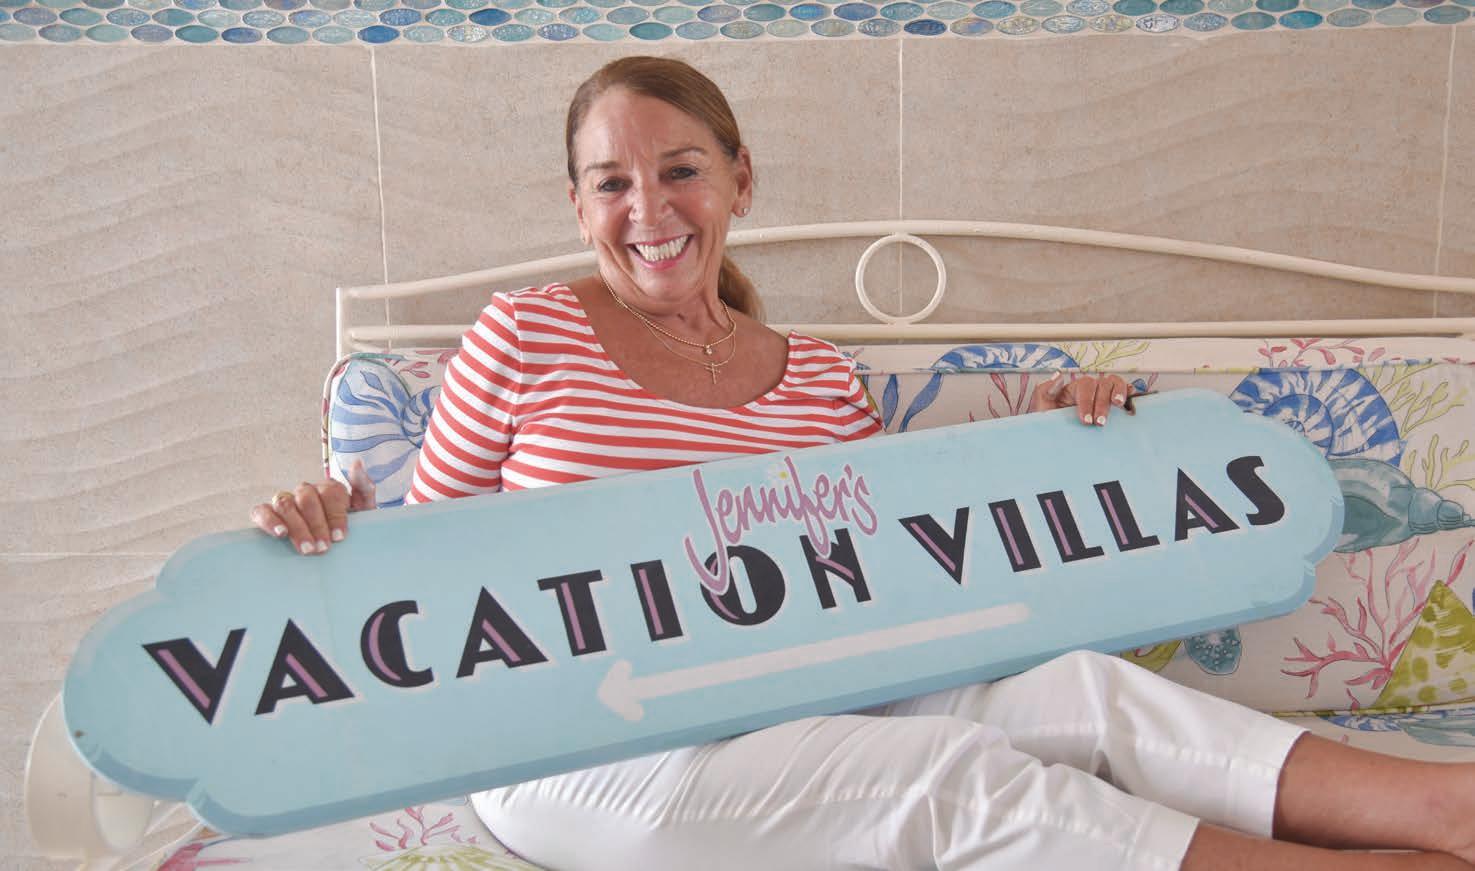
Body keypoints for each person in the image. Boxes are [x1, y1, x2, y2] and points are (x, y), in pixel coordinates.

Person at [251, 56, 1475, 871]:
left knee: (1083, 692)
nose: (648, 207)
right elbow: (428, 562)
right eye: (610, 181)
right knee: (947, 775)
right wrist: (330, 527)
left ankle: (1442, 807)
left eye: (679, 170)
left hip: (802, 691)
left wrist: (1059, 436)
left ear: (738, 181)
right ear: (578, 207)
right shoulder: (524, 334)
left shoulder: (820, 377)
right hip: (577, 744)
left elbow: (899, 566)